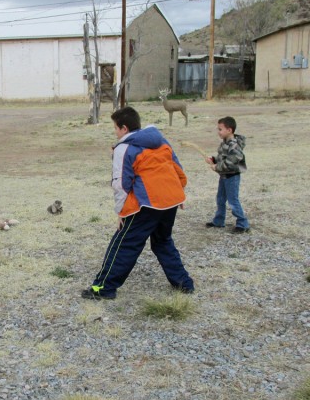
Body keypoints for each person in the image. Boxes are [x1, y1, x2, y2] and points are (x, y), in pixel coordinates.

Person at [82, 107, 194, 300]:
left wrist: (121, 212)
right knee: (163, 241)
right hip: (170, 201)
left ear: (124, 128)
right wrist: (179, 193)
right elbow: (177, 168)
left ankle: (103, 288)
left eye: (115, 128)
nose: (115, 132)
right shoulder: (161, 141)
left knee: (124, 244)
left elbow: (121, 185)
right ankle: (184, 284)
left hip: (146, 205)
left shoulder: (123, 149)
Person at [205, 116, 250, 233]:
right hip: (224, 176)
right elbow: (223, 158)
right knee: (220, 199)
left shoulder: (234, 145)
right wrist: (214, 160)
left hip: (232, 177)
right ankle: (218, 221)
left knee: (233, 201)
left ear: (229, 130)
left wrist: (217, 167)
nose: (218, 132)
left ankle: (243, 224)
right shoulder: (224, 143)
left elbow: (231, 162)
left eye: (220, 129)